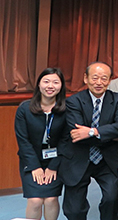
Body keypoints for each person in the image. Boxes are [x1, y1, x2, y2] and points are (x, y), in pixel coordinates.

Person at [62, 62, 118, 220]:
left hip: (107, 158)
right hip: (79, 157)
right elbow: (76, 135)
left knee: (113, 199)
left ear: (110, 80)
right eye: (95, 78)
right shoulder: (73, 101)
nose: (99, 82)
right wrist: (108, 134)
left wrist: (92, 131)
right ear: (86, 78)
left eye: (104, 78)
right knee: (74, 210)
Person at [15, 68, 67, 220]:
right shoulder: (24, 109)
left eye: (55, 82)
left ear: (61, 86)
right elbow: (23, 141)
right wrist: (35, 167)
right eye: (46, 81)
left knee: (51, 199)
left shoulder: (66, 110)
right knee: (36, 200)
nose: (50, 86)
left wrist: (53, 166)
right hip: (31, 160)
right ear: (38, 84)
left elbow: (66, 141)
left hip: (56, 160)